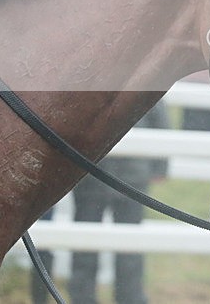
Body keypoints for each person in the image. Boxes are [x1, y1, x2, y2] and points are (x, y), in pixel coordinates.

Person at [68, 101, 170, 304]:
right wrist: (159, 166)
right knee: (89, 241)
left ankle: (120, 296)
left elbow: (159, 119)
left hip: (108, 175)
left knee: (121, 244)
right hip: (107, 175)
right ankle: (93, 296)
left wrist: (160, 165)